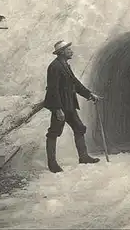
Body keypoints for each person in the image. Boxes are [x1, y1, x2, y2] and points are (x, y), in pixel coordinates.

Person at [43, 40, 100, 172]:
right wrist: (57, 110)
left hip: (69, 105)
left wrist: (89, 95)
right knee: (54, 132)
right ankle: (52, 164)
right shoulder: (55, 67)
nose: (71, 51)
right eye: (69, 50)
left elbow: (75, 83)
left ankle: (83, 157)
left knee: (79, 128)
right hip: (60, 106)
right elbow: (53, 89)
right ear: (62, 52)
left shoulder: (65, 65)